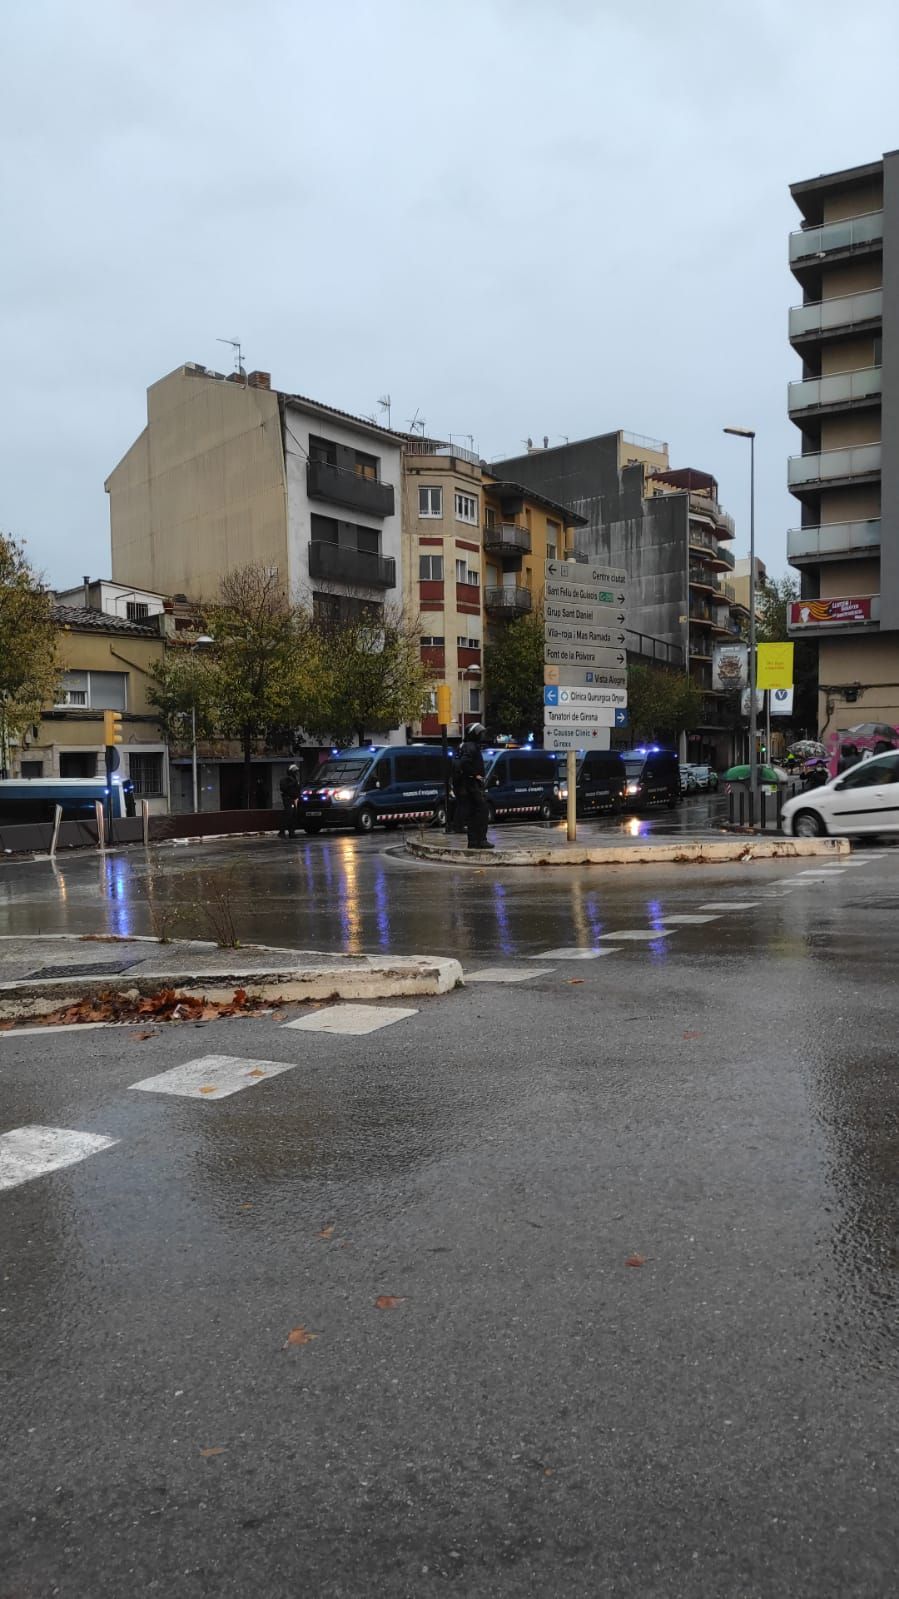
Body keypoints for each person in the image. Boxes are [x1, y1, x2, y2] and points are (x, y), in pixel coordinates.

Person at [456, 723, 493, 850]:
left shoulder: (466, 746)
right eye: (480, 733)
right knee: (482, 811)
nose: (482, 736)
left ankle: (472, 842)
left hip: (468, 785)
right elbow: (464, 763)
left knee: (472, 813)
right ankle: (481, 840)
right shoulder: (471, 747)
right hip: (473, 786)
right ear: (474, 734)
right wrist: (475, 775)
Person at [278, 763, 301, 838]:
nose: (297, 773)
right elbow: (283, 788)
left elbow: (297, 789)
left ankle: (292, 832)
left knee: (293, 815)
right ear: (291, 772)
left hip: (294, 799)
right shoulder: (285, 780)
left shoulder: (295, 780)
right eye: (295, 772)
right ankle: (281, 832)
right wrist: (292, 783)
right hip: (288, 799)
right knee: (288, 815)